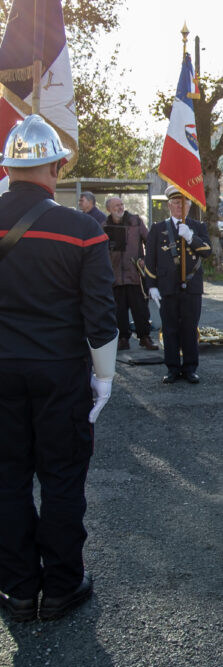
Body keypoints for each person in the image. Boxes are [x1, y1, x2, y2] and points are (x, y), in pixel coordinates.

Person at [0, 115, 118, 622]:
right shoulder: (82, 229)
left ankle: (19, 588)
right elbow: (101, 316)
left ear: (8, 168)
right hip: (60, 373)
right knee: (62, 479)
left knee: (6, 481)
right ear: (56, 167)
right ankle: (62, 586)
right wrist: (104, 378)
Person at [143, 185, 211, 384]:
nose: (180, 207)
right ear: (169, 206)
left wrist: (190, 237)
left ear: (189, 206)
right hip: (167, 286)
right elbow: (150, 260)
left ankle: (190, 368)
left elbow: (207, 251)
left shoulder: (198, 227)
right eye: (176, 203)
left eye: (184, 203)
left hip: (192, 286)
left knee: (190, 329)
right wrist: (151, 286)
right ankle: (172, 368)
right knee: (170, 329)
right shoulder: (158, 229)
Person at [104, 196, 158, 351]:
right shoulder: (104, 226)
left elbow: (150, 242)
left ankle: (145, 337)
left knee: (140, 309)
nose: (120, 207)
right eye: (116, 205)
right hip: (115, 277)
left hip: (135, 276)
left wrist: (145, 260)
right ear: (109, 209)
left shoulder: (136, 221)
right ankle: (123, 339)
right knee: (118, 311)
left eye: (121, 204)